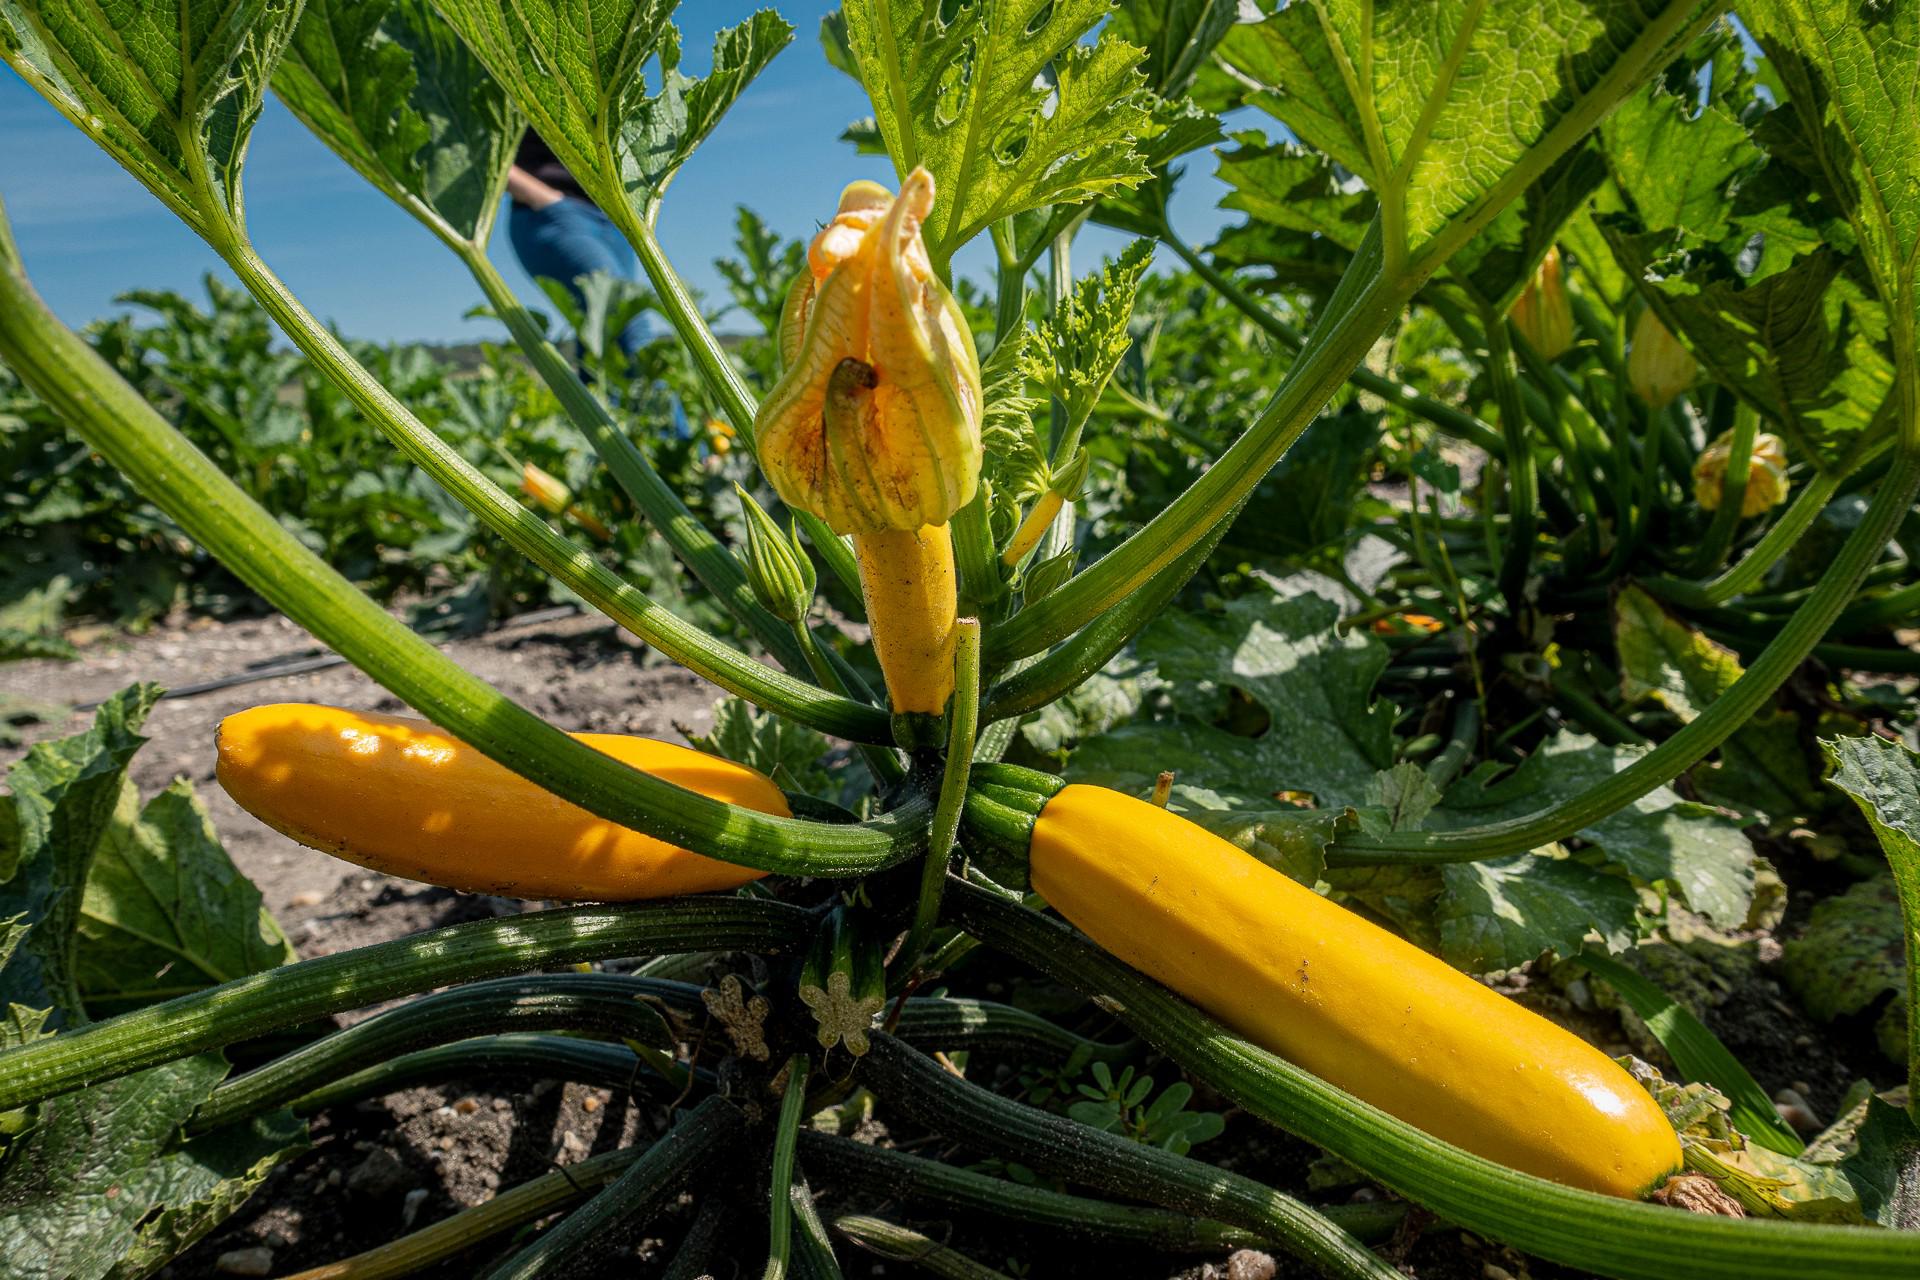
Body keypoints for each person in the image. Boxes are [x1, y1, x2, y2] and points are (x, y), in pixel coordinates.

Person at [505, 131, 657, 369]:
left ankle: (604, 406)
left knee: (599, 342)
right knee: (628, 324)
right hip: (553, 212)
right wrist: (544, 198)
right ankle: (664, 406)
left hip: (612, 214)